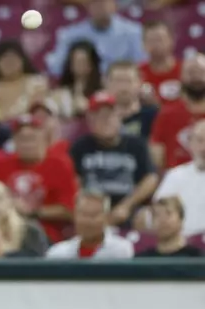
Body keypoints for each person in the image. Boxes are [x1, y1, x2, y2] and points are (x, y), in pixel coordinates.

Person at [0, 115, 77, 244]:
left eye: (32, 138)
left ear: (43, 138)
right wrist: (9, 207)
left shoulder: (60, 165)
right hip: (5, 235)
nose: (27, 143)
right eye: (21, 138)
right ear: (14, 141)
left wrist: (33, 211)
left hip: (47, 236)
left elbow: (69, 211)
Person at [70, 91, 158, 226]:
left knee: (145, 217)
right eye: (98, 116)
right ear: (90, 120)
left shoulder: (136, 144)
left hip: (129, 208)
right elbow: (74, 181)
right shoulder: (80, 146)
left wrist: (127, 205)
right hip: (92, 208)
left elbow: (150, 178)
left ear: (119, 116)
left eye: (109, 115)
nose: (105, 120)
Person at [46, 0, 146, 76]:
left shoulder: (134, 32)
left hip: (120, 85)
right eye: (95, 2)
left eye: (104, 2)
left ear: (114, 5)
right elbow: (56, 67)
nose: (101, 7)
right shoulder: (70, 35)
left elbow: (141, 64)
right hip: (85, 87)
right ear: (88, 7)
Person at [149, 53, 205, 171]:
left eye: (200, 72)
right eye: (191, 72)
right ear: (181, 77)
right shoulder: (167, 114)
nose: (196, 78)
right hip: (176, 181)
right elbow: (156, 158)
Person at [46, 189, 134, 260]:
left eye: (94, 215)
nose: (88, 221)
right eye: (83, 214)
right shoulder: (58, 254)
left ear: (106, 218)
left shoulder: (121, 250)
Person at [0, 40, 47, 121]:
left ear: (23, 61)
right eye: (4, 60)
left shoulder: (36, 84)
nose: (9, 64)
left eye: (13, 60)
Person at [105, 61, 158, 139]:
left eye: (128, 81)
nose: (123, 87)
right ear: (106, 83)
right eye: (118, 81)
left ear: (139, 82)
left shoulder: (153, 116)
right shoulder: (100, 117)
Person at [136, 196, 202, 257]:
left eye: (168, 213)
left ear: (180, 219)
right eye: (157, 215)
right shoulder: (143, 259)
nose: (162, 220)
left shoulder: (196, 258)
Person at [52, 40, 103, 119]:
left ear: (92, 64)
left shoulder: (101, 94)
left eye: (83, 61)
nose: (79, 65)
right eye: (75, 61)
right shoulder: (60, 94)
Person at [138, 20, 182, 106]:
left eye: (160, 39)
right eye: (151, 40)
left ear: (171, 40)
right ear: (143, 44)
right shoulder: (138, 74)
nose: (156, 44)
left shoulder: (185, 71)